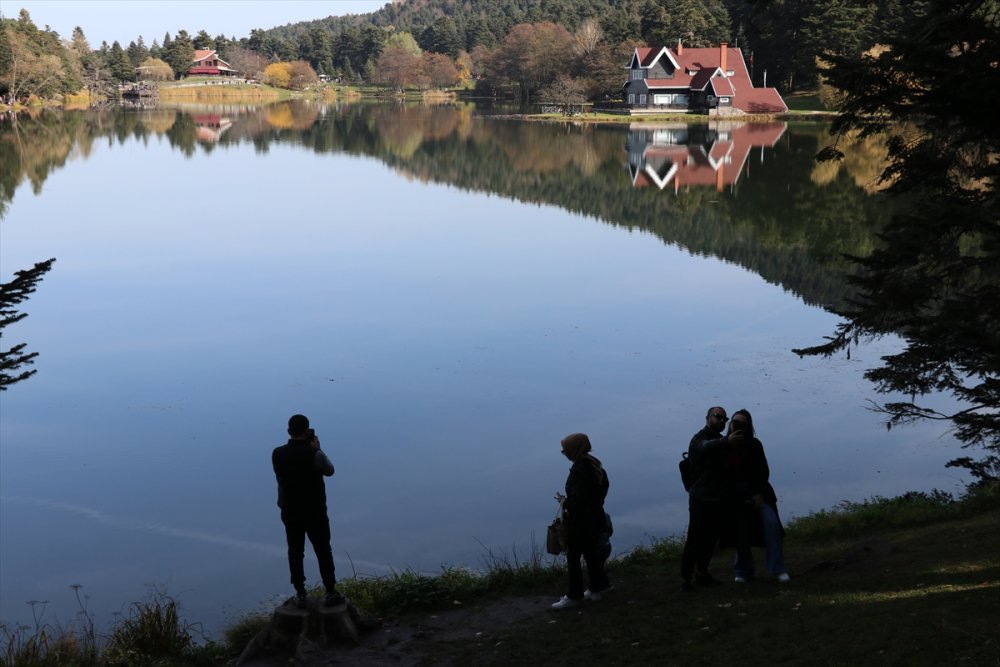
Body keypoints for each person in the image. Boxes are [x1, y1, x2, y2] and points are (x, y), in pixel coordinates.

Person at [272, 414, 345, 607]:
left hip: (290, 511)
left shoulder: (277, 454)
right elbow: (330, 470)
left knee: (295, 552)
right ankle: (330, 591)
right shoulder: (314, 454)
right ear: (307, 431)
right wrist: (318, 449)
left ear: (289, 431)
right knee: (323, 551)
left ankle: (300, 593)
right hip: (315, 511)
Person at [680, 406, 742, 591]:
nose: (722, 421)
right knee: (694, 539)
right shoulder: (699, 439)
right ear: (708, 418)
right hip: (700, 498)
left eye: (725, 418)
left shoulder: (722, 441)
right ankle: (686, 579)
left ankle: (702, 573)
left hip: (718, 498)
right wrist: (726, 441)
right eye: (718, 417)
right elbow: (704, 447)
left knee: (710, 538)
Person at [726, 409, 789, 583]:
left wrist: (759, 494)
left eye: (742, 423)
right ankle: (742, 571)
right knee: (741, 530)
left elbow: (763, 471)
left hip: (759, 495)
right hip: (736, 498)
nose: (737, 426)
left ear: (748, 426)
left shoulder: (754, 445)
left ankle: (777, 569)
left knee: (771, 523)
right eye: (734, 422)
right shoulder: (723, 446)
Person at [551, 433, 612, 610]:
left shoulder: (579, 470)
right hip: (596, 518)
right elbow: (598, 493)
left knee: (573, 558)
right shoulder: (595, 465)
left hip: (581, 524)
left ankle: (574, 595)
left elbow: (577, 502)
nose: (564, 453)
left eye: (565, 450)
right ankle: (597, 588)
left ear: (574, 450)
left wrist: (564, 502)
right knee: (591, 556)